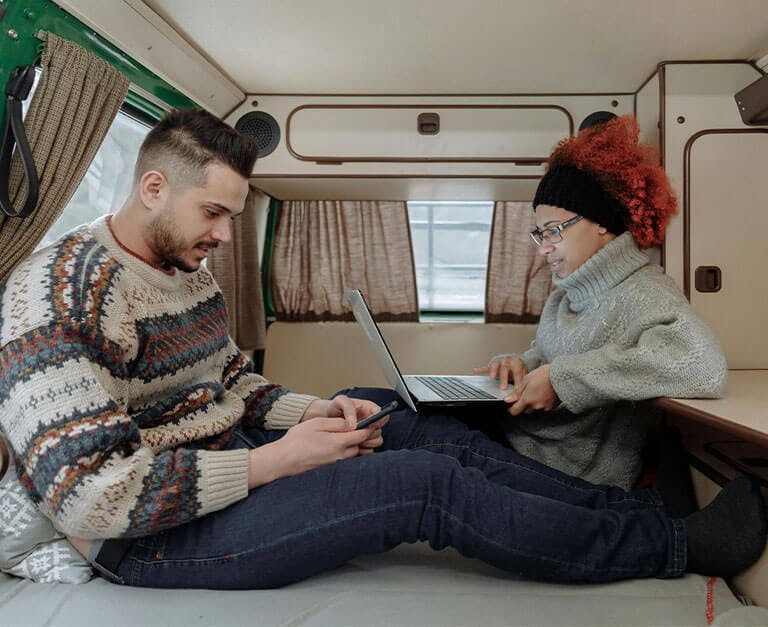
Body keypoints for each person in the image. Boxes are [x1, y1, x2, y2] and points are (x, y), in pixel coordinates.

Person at [0, 109, 763, 590]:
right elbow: (89, 495)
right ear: (154, 187)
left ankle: (625, 514)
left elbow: (235, 382)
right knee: (424, 485)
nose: (227, 236)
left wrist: (320, 412)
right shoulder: (58, 297)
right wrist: (278, 459)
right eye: (215, 213)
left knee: (408, 421)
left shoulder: (185, 270)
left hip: (218, 456)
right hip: (148, 536)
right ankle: (670, 545)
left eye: (234, 216)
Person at [474, 116, 728, 492]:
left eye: (553, 231)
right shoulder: (565, 295)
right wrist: (520, 366)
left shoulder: (644, 291)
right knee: (401, 415)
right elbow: (547, 357)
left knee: (423, 439)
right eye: (539, 234)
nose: (544, 247)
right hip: (526, 442)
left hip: (570, 471)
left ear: (602, 224)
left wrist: (563, 380)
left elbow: (703, 366)